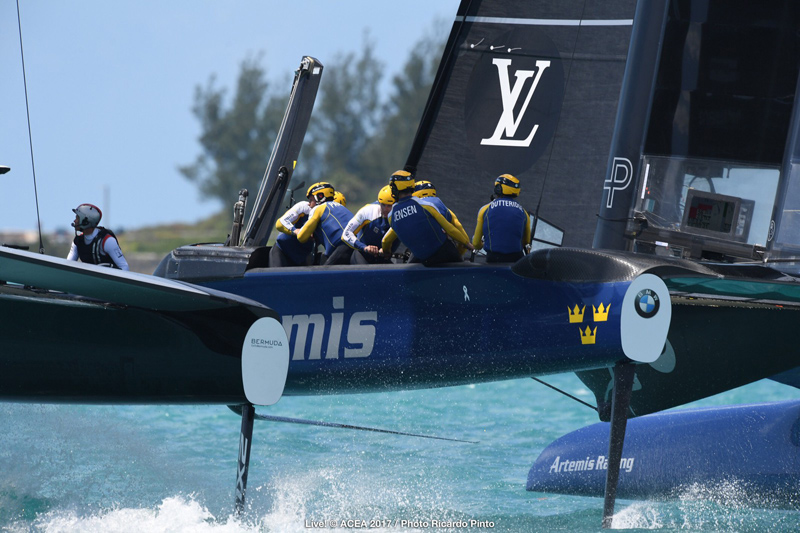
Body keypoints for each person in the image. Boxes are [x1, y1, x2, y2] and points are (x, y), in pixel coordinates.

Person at [381, 170, 473, 266]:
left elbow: (385, 241)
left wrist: (387, 252)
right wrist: (467, 244)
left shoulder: (391, 216)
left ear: (395, 188)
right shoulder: (426, 205)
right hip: (446, 253)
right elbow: (450, 229)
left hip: (424, 260)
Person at [472, 174, 531, 263]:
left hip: (493, 259)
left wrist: (482, 245)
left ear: (498, 188)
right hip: (516, 260)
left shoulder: (484, 210)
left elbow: (476, 243)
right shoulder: (524, 212)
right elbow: (526, 241)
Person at [295, 182, 355, 265]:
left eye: (311, 200)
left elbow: (301, 237)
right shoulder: (342, 208)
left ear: (319, 197)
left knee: (324, 272)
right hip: (358, 245)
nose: (309, 204)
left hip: (343, 247)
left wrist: (296, 230)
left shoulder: (318, 208)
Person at [412, 179, 470, 256]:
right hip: (445, 248)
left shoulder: (414, 208)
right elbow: (462, 234)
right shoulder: (447, 210)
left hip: (423, 249)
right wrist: (459, 254)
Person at [342, 185, 396, 265]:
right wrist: (364, 247)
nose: (385, 209)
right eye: (383, 205)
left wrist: (388, 251)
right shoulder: (368, 211)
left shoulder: (399, 214)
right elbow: (346, 234)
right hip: (363, 254)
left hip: (383, 257)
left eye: (389, 206)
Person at [66, 203, 129, 270]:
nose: (75, 221)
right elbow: (68, 265)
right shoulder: (77, 241)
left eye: (77, 218)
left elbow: (124, 267)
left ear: (86, 221)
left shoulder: (108, 241)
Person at [270, 188, 318, 267]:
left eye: (311, 200)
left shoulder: (326, 215)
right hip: (282, 251)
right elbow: (280, 223)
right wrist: (295, 231)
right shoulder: (303, 207)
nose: (309, 203)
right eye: (309, 200)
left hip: (302, 256)